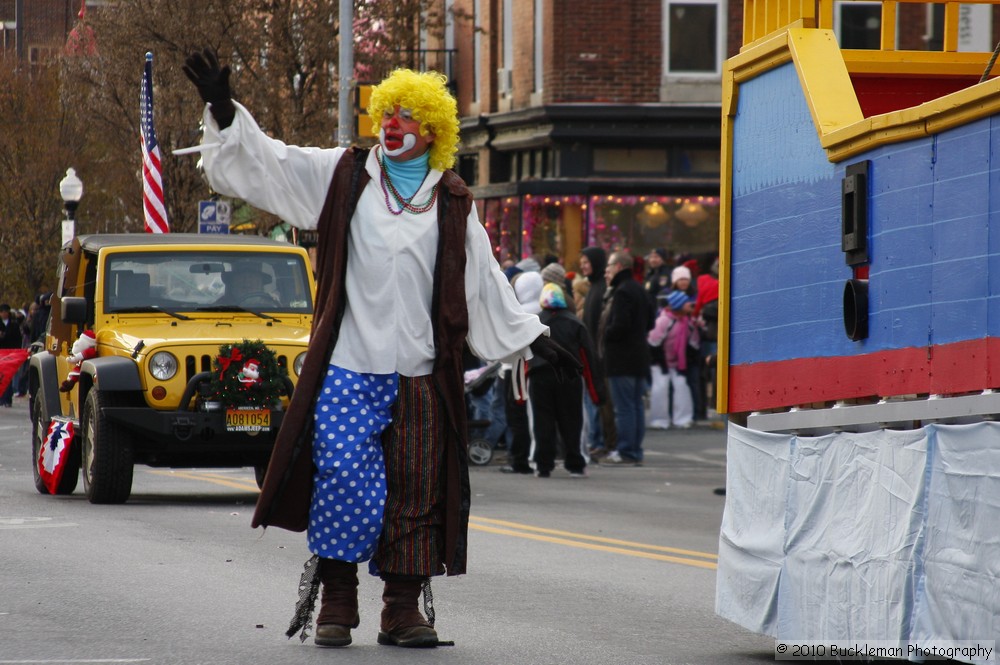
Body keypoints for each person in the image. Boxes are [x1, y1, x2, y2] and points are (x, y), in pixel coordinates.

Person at [184, 49, 578, 649]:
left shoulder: (451, 200)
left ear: (432, 130)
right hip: (349, 365)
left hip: (420, 373)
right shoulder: (344, 175)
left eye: (406, 117)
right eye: (386, 113)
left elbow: (486, 279)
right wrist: (221, 106)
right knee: (343, 477)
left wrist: (534, 338)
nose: (391, 125)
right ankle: (338, 600)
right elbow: (273, 164)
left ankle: (401, 609)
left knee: (417, 490)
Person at [530, 283, 601, 478]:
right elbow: (588, 356)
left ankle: (543, 465)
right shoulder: (575, 323)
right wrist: (596, 389)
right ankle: (575, 464)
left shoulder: (534, 322)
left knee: (542, 421)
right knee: (571, 420)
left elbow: (524, 355)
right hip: (569, 377)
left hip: (539, 376)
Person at [598, 251, 654, 465]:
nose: (607, 271)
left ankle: (627, 451)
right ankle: (634, 450)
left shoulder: (622, 292)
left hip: (622, 359)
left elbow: (620, 325)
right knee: (636, 406)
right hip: (639, 357)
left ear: (619, 266)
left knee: (624, 409)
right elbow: (650, 322)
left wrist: (606, 333)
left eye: (610, 266)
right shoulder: (640, 289)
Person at [578, 247, 617, 457]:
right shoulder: (594, 287)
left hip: (598, 355)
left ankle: (603, 441)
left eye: (586, 261)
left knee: (602, 401)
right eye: (582, 262)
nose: (583, 265)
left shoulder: (600, 289)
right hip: (593, 354)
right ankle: (599, 441)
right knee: (597, 400)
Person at [648, 290, 697, 428]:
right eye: (686, 302)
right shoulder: (663, 320)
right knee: (660, 387)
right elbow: (653, 343)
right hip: (660, 360)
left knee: (682, 386)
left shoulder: (687, 321)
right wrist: (661, 363)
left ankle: (683, 419)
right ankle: (659, 420)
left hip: (678, 363)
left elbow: (693, 343)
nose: (690, 304)